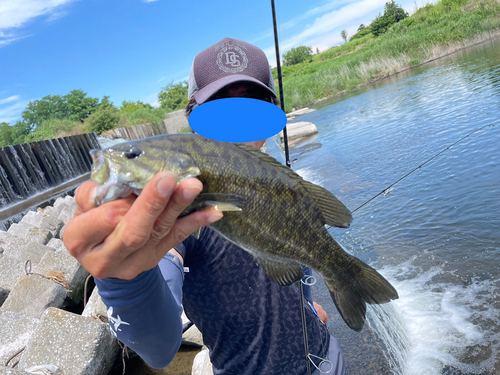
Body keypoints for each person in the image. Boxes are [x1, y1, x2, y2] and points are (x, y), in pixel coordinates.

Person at [64, 37, 346, 375]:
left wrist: (307, 310)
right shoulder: (182, 214)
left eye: (252, 103)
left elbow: (292, 274)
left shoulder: (281, 182)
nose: (238, 121)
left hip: (328, 360)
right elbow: (160, 348)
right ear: (193, 118)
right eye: (218, 108)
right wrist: (126, 278)